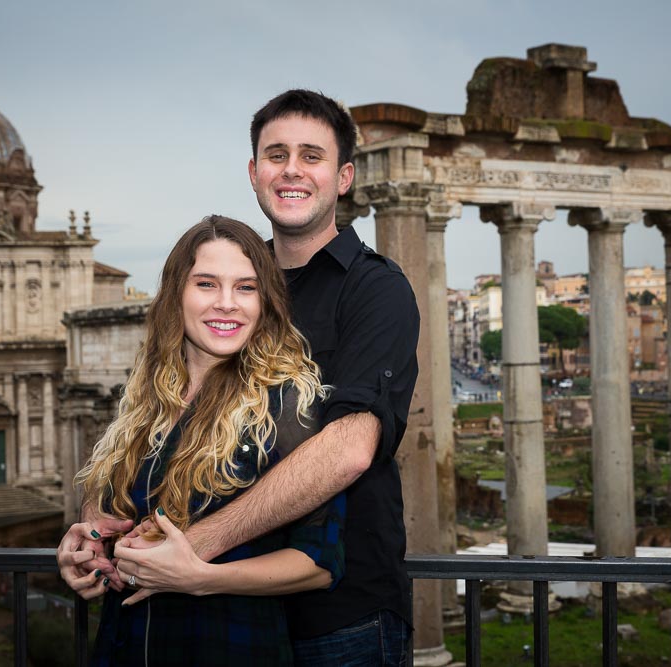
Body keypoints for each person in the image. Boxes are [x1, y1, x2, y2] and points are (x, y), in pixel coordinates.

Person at [59, 89, 420, 665]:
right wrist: (98, 536)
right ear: (254, 174)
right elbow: (147, 454)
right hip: (206, 619)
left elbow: (350, 448)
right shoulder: (233, 284)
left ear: (344, 176)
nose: (292, 170)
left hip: (342, 613)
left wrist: (184, 556)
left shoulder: (376, 288)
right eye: (276, 155)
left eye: (312, 156)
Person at [64, 215, 346, 665]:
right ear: (177, 295)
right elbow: (122, 524)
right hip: (126, 646)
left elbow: (318, 564)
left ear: (265, 301)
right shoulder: (145, 403)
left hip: (232, 647)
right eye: (207, 284)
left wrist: (201, 577)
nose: (228, 303)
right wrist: (89, 546)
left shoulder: (288, 405)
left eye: (246, 287)